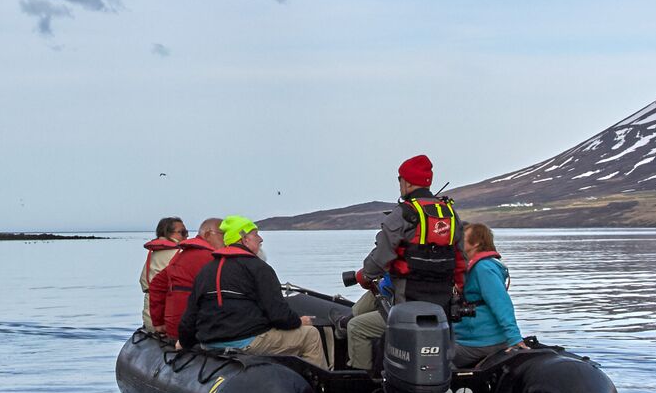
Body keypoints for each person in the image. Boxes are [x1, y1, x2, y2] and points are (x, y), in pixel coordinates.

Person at [345, 155, 459, 370]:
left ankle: (361, 383)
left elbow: (380, 258)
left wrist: (365, 276)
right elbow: (460, 260)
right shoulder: (449, 213)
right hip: (441, 308)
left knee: (356, 327)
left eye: (400, 180)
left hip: (407, 304)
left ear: (406, 182)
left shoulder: (402, 214)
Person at [178, 217, 331, 369]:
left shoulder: (206, 270)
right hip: (247, 342)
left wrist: (184, 343)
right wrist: (299, 321)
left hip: (209, 343)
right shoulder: (259, 268)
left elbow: (189, 318)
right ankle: (318, 388)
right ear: (244, 239)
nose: (261, 239)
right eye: (256, 234)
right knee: (310, 335)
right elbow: (279, 316)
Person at [452, 223, 522, 366]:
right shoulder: (474, 266)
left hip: (483, 343)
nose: (458, 242)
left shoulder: (483, 268)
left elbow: (501, 303)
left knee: (432, 357)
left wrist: (514, 339)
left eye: (463, 238)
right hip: (467, 339)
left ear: (476, 243)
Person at [148, 217, 222, 340]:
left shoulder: (183, 255)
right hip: (192, 333)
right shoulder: (211, 259)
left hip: (174, 328)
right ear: (208, 234)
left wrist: (159, 323)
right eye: (224, 235)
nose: (227, 240)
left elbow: (156, 284)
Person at [139, 216, 188, 332]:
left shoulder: (152, 255)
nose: (187, 236)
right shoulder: (181, 254)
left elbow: (143, 282)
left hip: (150, 319)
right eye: (183, 232)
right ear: (168, 233)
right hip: (168, 322)